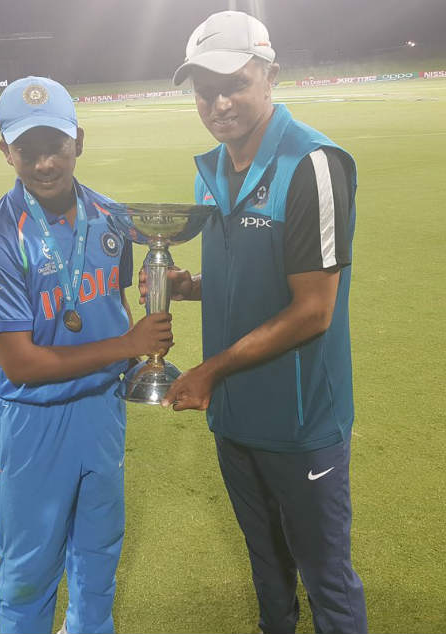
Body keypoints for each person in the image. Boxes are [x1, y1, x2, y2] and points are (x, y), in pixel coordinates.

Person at [145, 11, 368, 634]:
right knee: (267, 569)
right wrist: (188, 287)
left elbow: (313, 309)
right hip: (234, 416)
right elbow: (250, 279)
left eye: (235, 84)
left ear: (270, 76)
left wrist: (210, 370)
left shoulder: (312, 164)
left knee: (325, 578)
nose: (219, 103)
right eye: (205, 90)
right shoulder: (211, 171)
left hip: (300, 422)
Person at [0, 76, 173, 634]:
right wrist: (128, 346)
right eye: (27, 150)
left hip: (102, 410)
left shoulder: (112, 217)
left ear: (78, 140)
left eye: (55, 145)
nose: (44, 163)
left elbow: (117, 301)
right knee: (30, 570)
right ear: (5, 150)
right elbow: (21, 364)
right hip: (34, 422)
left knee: (99, 553)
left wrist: (143, 348)